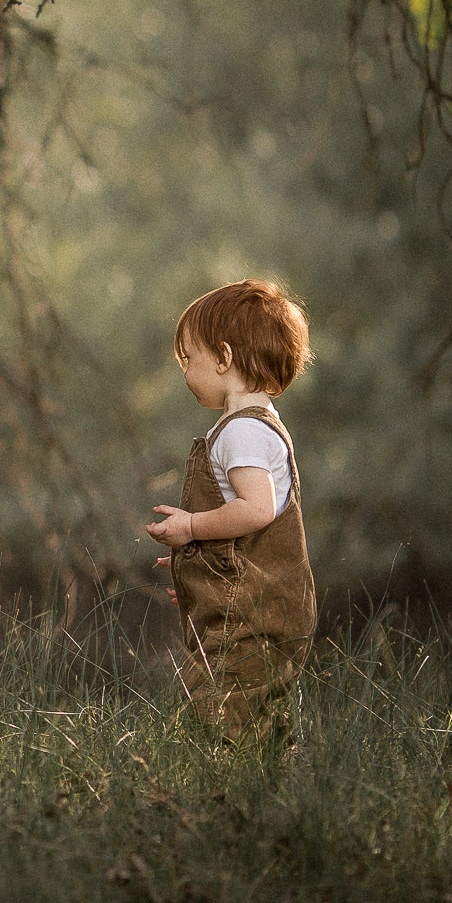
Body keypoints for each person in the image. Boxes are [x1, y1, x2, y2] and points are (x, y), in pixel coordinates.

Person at [145, 280, 316, 740]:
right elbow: (243, 537)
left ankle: (234, 793)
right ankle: (267, 785)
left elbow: (256, 510)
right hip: (259, 603)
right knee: (259, 710)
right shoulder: (256, 427)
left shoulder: (243, 433)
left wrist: (192, 527)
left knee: (224, 710)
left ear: (223, 358)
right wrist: (195, 568)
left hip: (252, 614)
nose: (184, 371)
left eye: (188, 358)